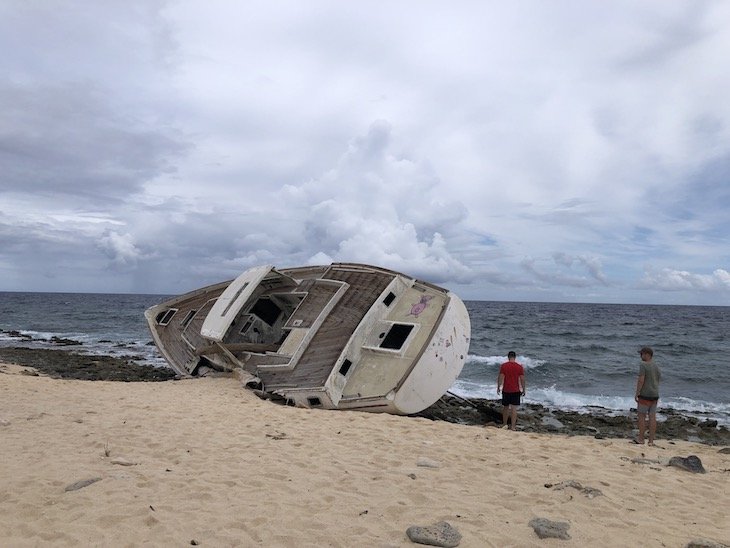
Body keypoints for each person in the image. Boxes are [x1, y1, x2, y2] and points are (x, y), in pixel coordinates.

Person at [633, 346, 661, 446]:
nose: (641, 356)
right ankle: (651, 441)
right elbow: (658, 378)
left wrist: (637, 393)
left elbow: (641, 379)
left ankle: (641, 438)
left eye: (642, 354)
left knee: (641, 416)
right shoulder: (656, 365)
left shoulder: (643, 364)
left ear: (647, 354)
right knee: (652, 417)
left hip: (645, 394)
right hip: (655, 394)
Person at [497, 351, 525, 430]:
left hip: (506, 389)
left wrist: (498, 387)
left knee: (505, 407)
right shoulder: (519, 367)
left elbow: (501, 377)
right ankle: (513, 426)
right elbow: (522, 379)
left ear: (508, 357)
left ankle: (504, 424)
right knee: (514, 408)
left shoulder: (504, 366)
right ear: (515, 357)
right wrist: (523, 389)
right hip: (515, 390)